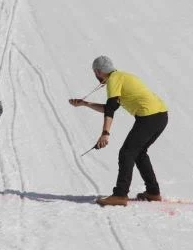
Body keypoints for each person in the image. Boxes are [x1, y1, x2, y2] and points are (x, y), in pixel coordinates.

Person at [69, 56, 168, 207]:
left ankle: (120, 195)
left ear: (98, 72)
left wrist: (105, 133)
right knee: (139, 153)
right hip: (160, 116)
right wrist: (85, 104)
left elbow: (110, 108)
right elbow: (111, 106)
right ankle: (153, 192)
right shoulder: (122, 76)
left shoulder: (113, 79)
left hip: (149, 117)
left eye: (95, 73)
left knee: (127, 153)